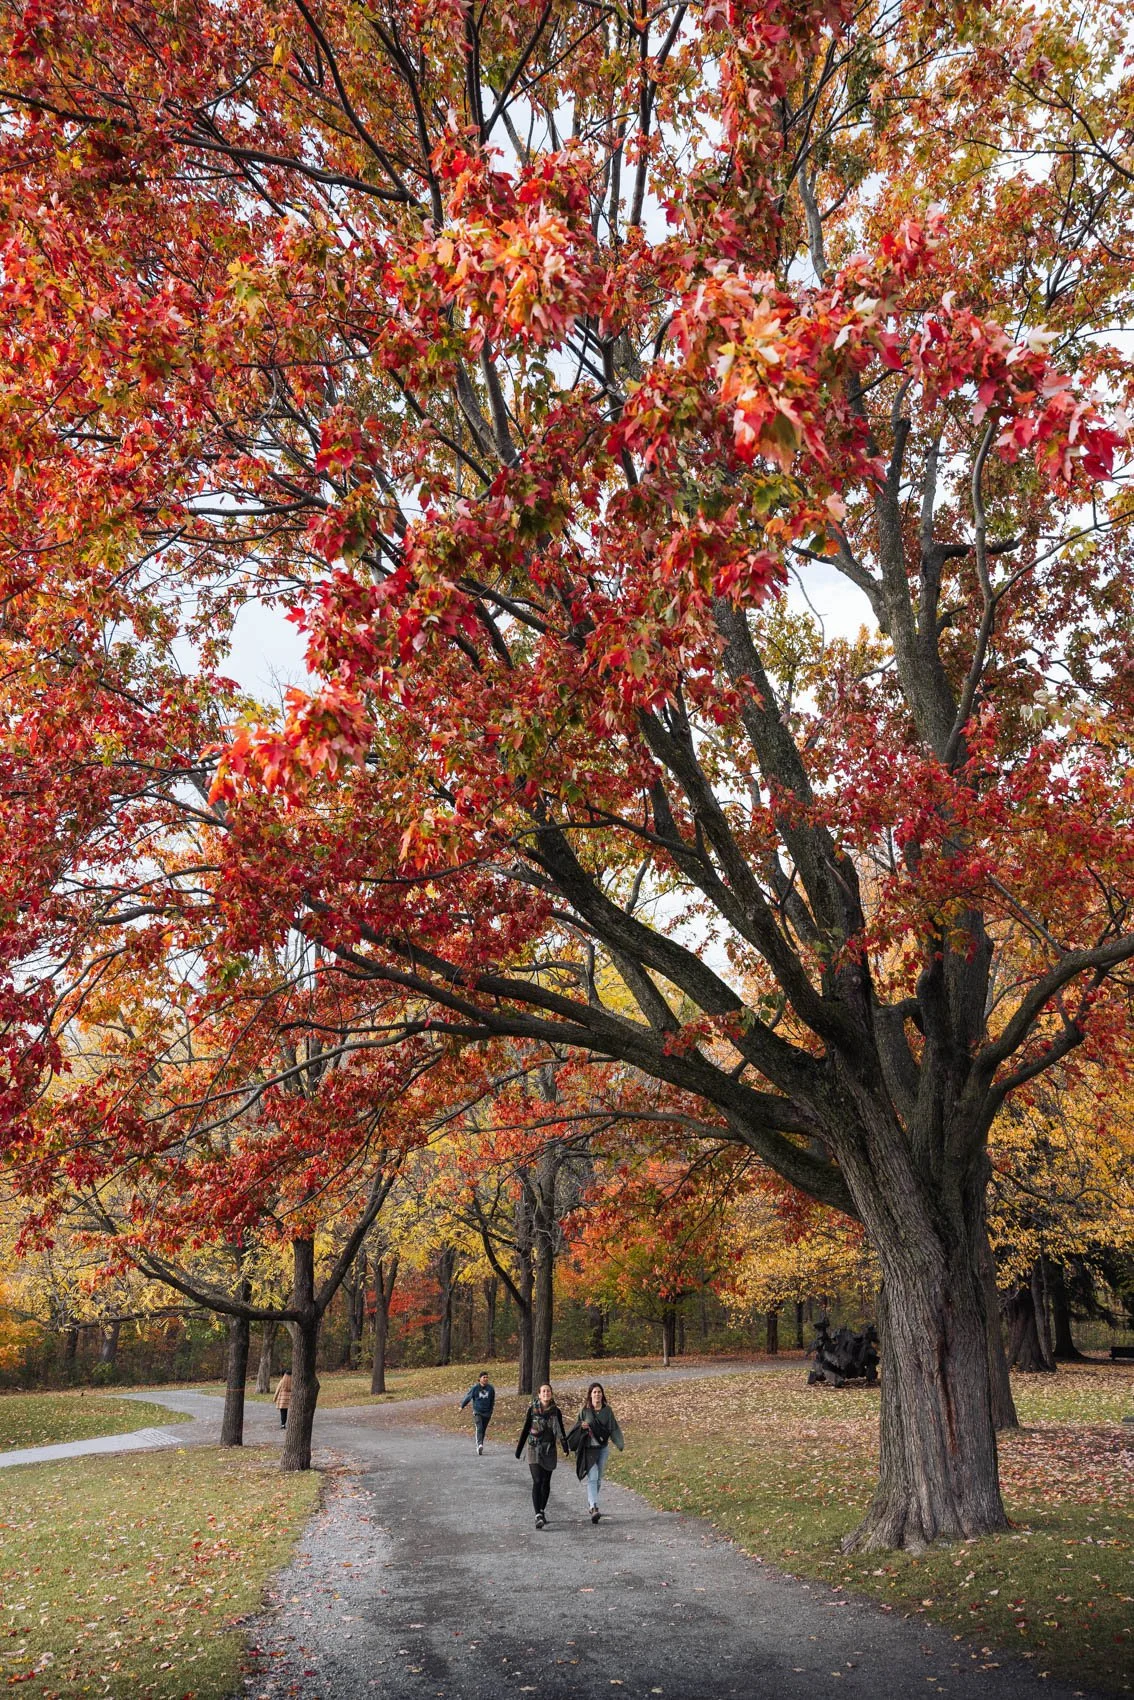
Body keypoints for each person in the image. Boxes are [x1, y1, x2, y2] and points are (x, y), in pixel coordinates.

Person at [515, 1381, 569, 1529]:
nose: (546, 1393)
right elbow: (526, 1428)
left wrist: (565, 1446)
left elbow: (560, 1429)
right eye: (543, 1391)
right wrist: (519, 1450)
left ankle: (542, 1510)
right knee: (537, 1480)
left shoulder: (555, 1411)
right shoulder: (532, 1409)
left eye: (548, 1391)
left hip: (549, 1449)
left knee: (546, 1482)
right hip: (534, 1448)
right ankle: (537, 1514)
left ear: (551, 1394)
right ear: (539, 1394)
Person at [570, 1380, 624, 1523]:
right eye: (594, 1392)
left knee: (598, 1478)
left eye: (599, 1392)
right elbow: (576, 1427)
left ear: (602, 1394)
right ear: (590, 1395)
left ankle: (591, 1501)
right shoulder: (585, 1411)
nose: (597, 1394)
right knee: (592, 1477)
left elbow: (614, 1428)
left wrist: (619, 1443)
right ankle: (594, 1507)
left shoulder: (607, 1411)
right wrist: (582, 1426)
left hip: (602, 1448)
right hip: (588, 1449)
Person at [459, 1370, 496, 1454]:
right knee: (479, 1428)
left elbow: (492, 1400)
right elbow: (468, 1397)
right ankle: (479, 1444)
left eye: (487, 1377)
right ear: (479, 1379)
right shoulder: (475, 1388)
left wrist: (491, 1410)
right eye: (484, 1377)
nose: (486, 1379)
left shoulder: (491, 1388)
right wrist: (462, 1406)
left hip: (487, 1413)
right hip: (477, 1411)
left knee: (483, 1429)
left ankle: (480, 1446)